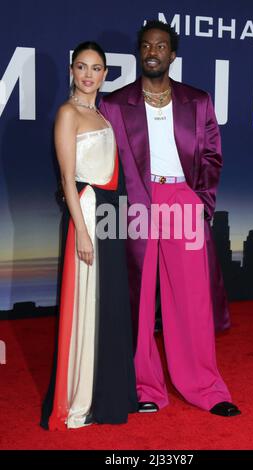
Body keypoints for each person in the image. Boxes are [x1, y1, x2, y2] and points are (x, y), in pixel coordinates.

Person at [100, 21, 241, 417]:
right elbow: (104, 160)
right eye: (146, 45)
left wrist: (200, 202)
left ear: (172, 54)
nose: (152, 51)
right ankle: (145, 386)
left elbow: (212, 154)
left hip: (183, 198)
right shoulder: (114, 103)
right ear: (138, 52)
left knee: (192, 300)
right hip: (137, 204)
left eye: (161, 46)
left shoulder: (198, 100)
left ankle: (206, 388)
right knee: (139, 301)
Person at [40, 41, 138, 430]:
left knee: (108, 303)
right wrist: (81, 231)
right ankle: (79, 399)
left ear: (105, 74)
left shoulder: (102, 114)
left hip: (107, 217)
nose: (88, 75)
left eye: (96, 68)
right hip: (87, 216)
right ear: (72, 71)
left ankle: (106, 391)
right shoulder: (68, 113)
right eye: (81, 67)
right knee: (86, 303)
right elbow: (67, 178)